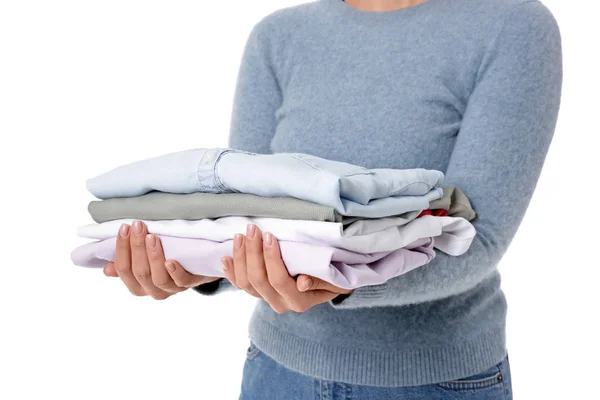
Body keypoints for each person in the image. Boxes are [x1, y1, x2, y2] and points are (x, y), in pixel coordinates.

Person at [103, 0, 562, 398]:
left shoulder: (511, 26)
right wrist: (194, 269)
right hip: (276, 374)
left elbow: (477, 237)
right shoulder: (278, 37)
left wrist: (344, 277)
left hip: (432, 382)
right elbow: (246, 217)